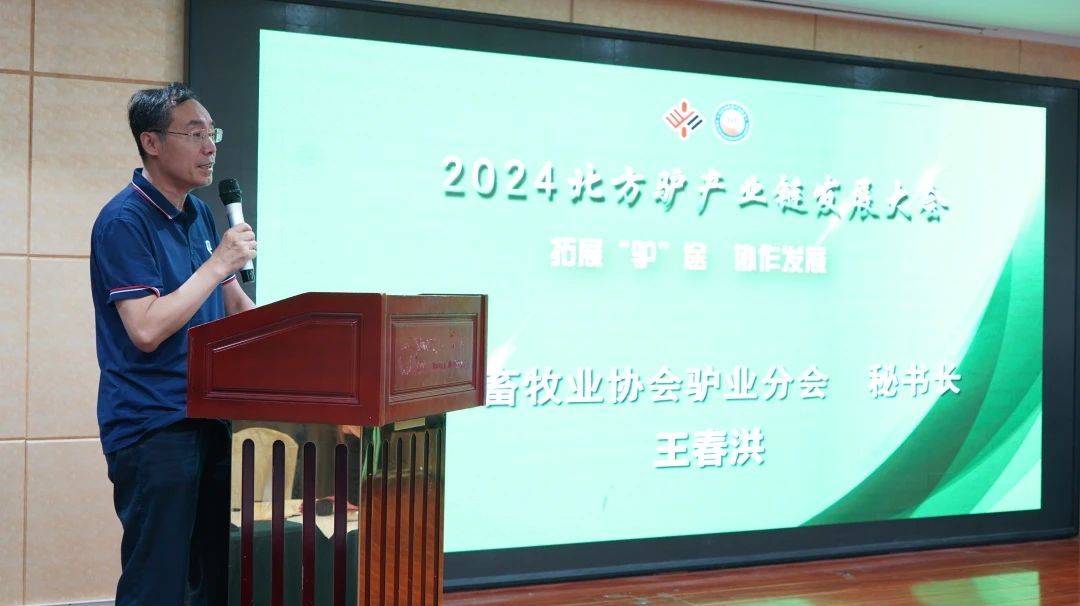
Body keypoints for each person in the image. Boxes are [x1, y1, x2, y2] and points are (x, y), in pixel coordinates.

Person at [89, 82, 256, 605]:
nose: (210, 148)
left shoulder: (199, 214)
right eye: (195, 134)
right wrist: (218, 263)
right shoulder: (124, 221)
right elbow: (144, 329)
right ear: (152, 142)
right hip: (154, 424)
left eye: (212, 134)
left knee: (209, 580)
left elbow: (234, 304)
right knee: (158, 584)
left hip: (210, 415)